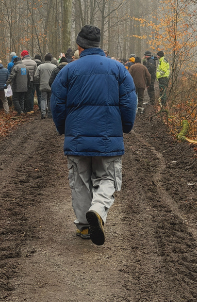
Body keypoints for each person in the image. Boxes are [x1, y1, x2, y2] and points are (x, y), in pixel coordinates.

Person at [52, 25, 136, 245]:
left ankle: (84, 227)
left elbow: (57, 104)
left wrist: (63, 128)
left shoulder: (68, 71)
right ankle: (98, 209)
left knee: (79, 181)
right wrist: (125, 127)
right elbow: (129, 102)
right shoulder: (118, 70)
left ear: (79, 46)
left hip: (77, 136)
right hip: (108, 137)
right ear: (99, 44)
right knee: (107, 177)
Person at [34, 53, 57, 119]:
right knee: (50, 99)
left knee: (43, 99)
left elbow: (36, 76)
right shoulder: (54, 66)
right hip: (51, 85)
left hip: (43, 85)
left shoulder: (40, 66)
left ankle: (43, 113)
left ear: (44, 59)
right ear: (51, 59)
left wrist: (40, 79)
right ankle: (50, 113)